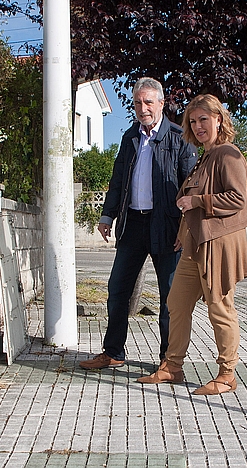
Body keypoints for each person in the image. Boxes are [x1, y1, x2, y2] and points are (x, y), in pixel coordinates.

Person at [80, 78, 197, 370]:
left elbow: (191, 186)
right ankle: (113, 353)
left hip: (167, 227)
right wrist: (108, 215)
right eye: (137, 103)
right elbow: (118, 179)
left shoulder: (179, 137)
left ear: (161, 103)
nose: (142, 108)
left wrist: (186, 227)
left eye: (148, 102)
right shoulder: (130, 136)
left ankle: (169, 362)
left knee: (170, 296)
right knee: (118, 287)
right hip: (132, 224)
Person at [137, 94, 247, 395]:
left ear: (218, 120)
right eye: (193, 121)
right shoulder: (205, 157)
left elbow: (238, 200)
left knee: (220, 308)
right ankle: (173, 367)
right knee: (176, 304)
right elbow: (189, 205)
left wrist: (197, 200)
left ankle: (227, 374)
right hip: (194, 244)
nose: (198, 126)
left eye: (204, 119)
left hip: (217, 244)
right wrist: (183, 231)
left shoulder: (229, 155)